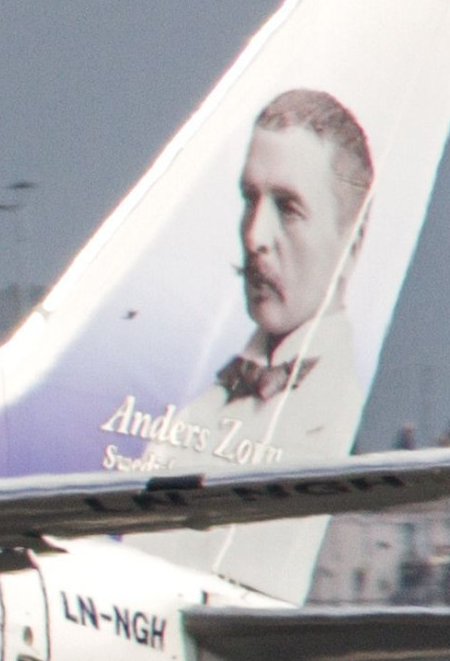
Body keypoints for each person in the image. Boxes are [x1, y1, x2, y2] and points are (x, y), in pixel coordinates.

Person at [154, 89, 374, 469]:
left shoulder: (333, 413)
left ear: (351, 243)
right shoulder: (203, 409)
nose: (254, 237)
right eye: (249, 199)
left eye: (288, 209)